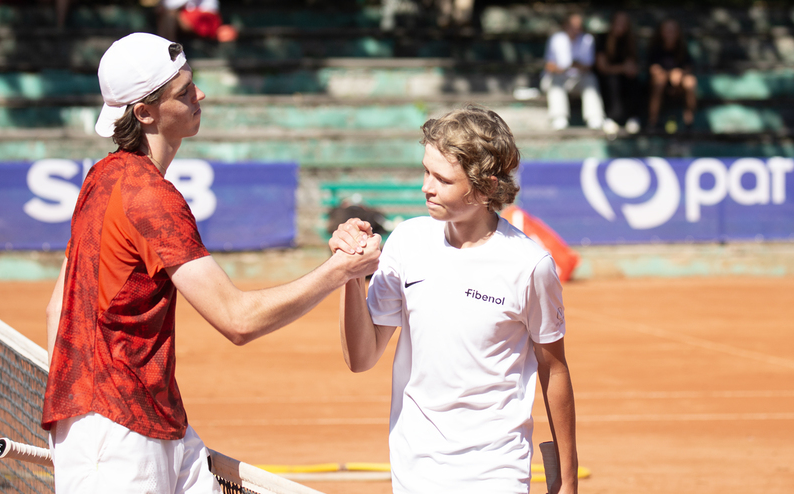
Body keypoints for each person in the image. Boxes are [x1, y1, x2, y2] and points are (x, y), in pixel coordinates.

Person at [41, 32, 379, 494]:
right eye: (183, 92)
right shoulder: (150, 198)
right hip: (118, 433)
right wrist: (341, 270)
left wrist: (77, 410)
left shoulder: (101, 176)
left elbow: (55, 310)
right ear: (144, 113)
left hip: (141, 418)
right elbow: (237, 320)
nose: (199, 95)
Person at [331, 106, 578, 493]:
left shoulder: (530, 265)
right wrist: (349, 274)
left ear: (485, 187)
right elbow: (360, 358)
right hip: (414, 472)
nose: (426, 187)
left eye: (443, 179)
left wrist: (567, 479)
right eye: (426, 171)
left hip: (496, 472)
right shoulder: (407, 242)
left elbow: (554, 370)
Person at [541, 11, 604, 131]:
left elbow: (589, 66)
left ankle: (595, 118)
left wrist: (576, 65)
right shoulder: (556, 39)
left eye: (578, 26)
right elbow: (549, 66)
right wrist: (562, 68)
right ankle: (559, 118)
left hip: (579, 79)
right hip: (558, 78)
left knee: (590, 80)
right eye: (573, 26)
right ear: (566, 25)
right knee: (555, 82)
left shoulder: (587, 39)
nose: (576, 29)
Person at [595, 10, 642, 134]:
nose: (621, 25)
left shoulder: (629, 41)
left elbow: (632, 64)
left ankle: (633, 118)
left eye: (624, 23)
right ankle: (611, 118)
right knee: (612, 81)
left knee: (634, 81)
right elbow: (602, 68)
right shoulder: (602, 39)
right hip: (605, 77)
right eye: (618, 22)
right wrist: (622, 68)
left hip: (624, 77)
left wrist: (630, 69)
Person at [647, 18, 697, 131]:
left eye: (673, 30)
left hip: (679, 85)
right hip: (659, 85)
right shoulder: (656, 48)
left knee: (691, 82)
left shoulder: (682, 48)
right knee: (659, 81)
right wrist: (670, 75)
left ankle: (689, 121)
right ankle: (652, 122)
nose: (670, 33)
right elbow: (653, 70)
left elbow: (689, 67)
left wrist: (680, 74)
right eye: (667, 30)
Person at [156, 0, 238, 43]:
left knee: (170, 15)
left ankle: (169, 48)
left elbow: (171, 5)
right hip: (192, 15)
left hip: (206, 19)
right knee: (167, 15)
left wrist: (161, 6)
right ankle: (168, 47)